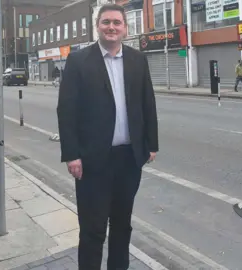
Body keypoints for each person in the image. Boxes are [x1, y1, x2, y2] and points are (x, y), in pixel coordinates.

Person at [56, 3, 158, 270]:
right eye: (106, 22)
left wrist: (151, 144)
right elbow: (67, 110)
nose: (111, 27)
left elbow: (147, 103)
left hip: (128, 159)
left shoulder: (137, 60)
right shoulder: (79, 61)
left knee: (122, 226)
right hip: (92, 161)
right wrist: (72, 154)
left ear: (125, 28)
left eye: (116, 22)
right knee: (93, 229)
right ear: (97, 26)